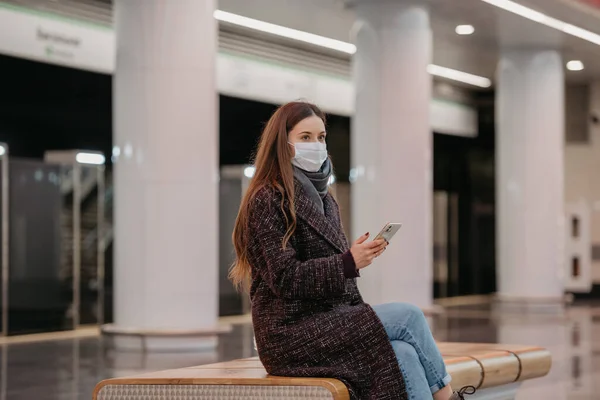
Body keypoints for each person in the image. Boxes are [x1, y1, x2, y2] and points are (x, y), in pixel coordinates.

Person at [230, 101, 475, 400]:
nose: (316, 145)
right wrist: (347, 263)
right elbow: (284, 278)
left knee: (403, 353)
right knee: (409, 316)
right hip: (289, 334)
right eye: (305, 137)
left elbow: (330, 270)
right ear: (283, 142)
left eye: (320, 137)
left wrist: (351, 258)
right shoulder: (267, 198)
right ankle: (449, 398)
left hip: (328, 323)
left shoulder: (325, 200)